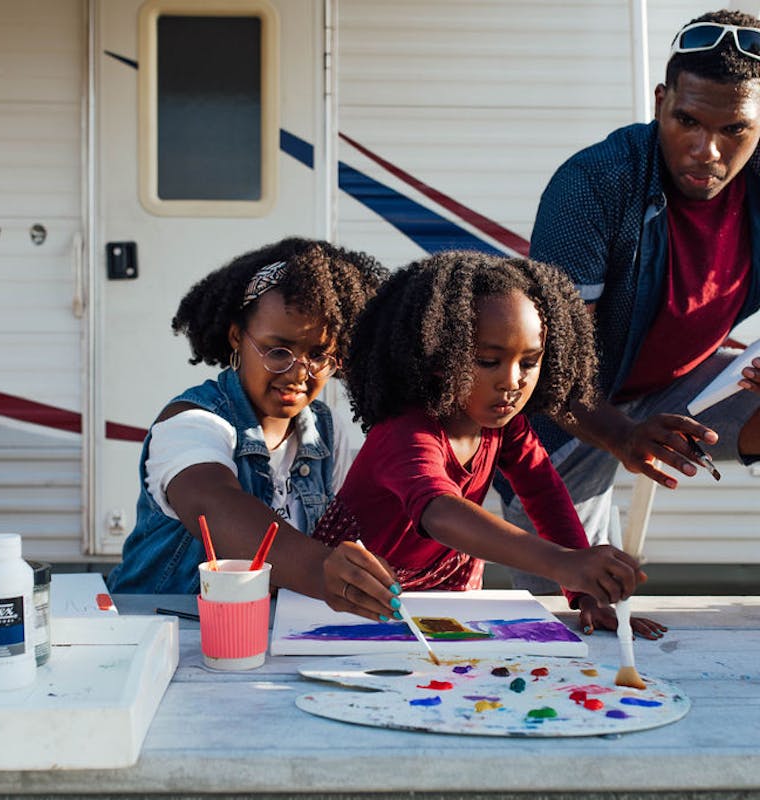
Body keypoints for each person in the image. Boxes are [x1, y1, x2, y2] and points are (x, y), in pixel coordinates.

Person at [499, 9, 760, 596]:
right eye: (687, 120)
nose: (707, 151)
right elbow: (551, 371)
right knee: (571, 603)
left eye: (734, 131)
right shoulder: (595, 182)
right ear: (661, 101)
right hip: (573, 405)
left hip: (681, 385)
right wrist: (622, 435)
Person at [312, 251, 662, 638]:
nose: (512, 382)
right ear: (438, 357)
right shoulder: (404, 431)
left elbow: (544, 492)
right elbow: (440, 512)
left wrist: (584, 591)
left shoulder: (505, 425)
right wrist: (565, 563)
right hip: (355, 600)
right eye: (488, 361)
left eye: (529, 362)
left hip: (446, 597)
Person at [107, 237, 400, 622]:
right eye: (278, 350)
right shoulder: (191, 422)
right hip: (160, 637)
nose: (298, 373)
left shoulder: (327, 430)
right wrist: (321, 569)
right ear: (236, 338)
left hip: (262, 641)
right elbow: (213, 504)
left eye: (318, 355)